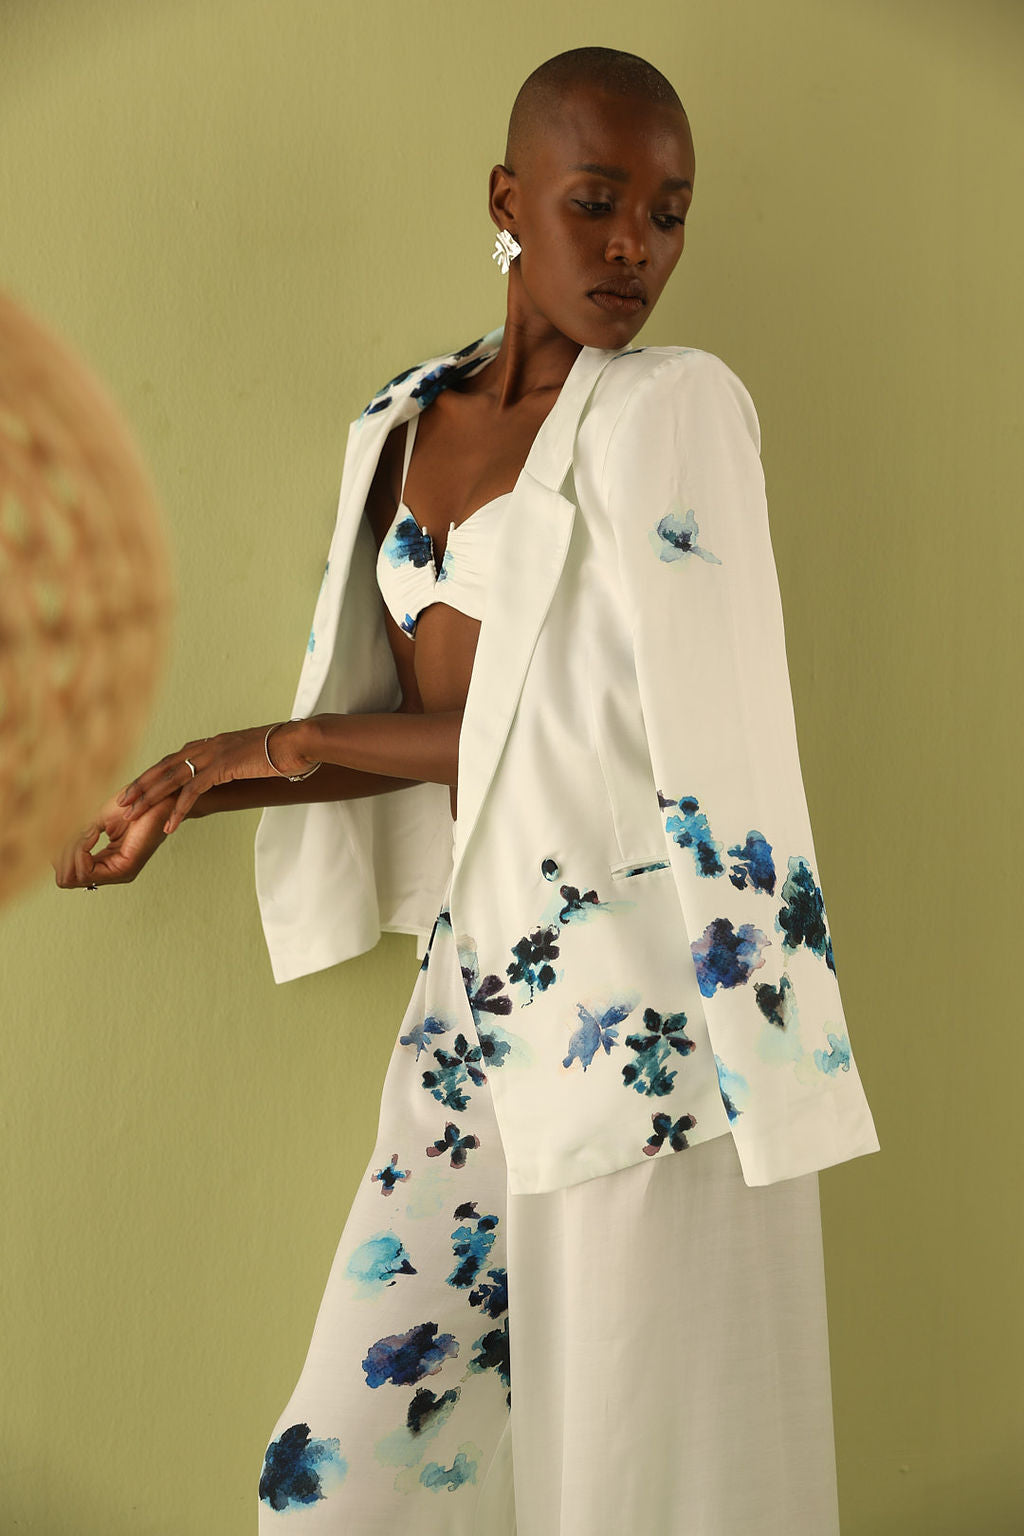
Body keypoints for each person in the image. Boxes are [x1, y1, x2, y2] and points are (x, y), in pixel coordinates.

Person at [56, 46, 879, 1534]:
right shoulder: (403, 420)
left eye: (669, 215)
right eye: (595, 202)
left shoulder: (674, 410)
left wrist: (264, 747)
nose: (634, 247)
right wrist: (190, 787)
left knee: (635, 1483)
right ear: (507, 200)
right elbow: (394, 722)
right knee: (338, 1477)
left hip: (646, 1022)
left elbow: (628, 737)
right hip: (479, 989)